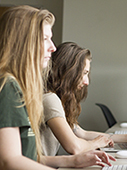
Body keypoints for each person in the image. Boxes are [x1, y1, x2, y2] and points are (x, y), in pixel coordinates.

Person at [0, 6, 115, 170]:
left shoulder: (22, 89)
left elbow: (30, 157)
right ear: (24, 42)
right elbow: (9, 161)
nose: (53, 47)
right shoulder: (7, 86)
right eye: (45, 38)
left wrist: (73, 161)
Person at [41, 42, 127, 156]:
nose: (87, 82)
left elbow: (82, 134)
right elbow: (74, 147)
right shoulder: (49, 99)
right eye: (84, 73)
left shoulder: (55, 98)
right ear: (69, 72)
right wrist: (96, 143)